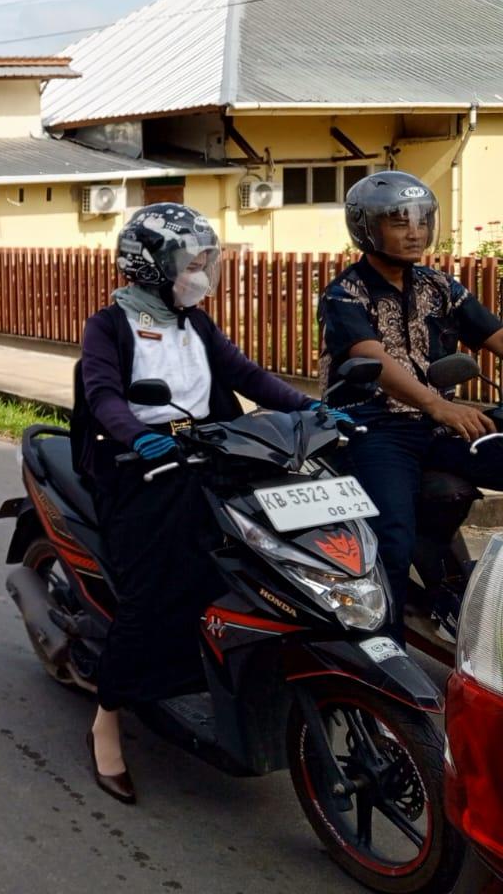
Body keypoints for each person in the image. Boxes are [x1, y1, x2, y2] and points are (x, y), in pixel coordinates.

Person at [74, 204, 332, 804]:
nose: (200, 272)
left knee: (252, 557)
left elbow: (248, 376)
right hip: (139, 468)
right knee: (151, 593)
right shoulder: (108, 325)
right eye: (189, 262)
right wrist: (137, 435)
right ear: (151, 266)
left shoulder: (197, 323)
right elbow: (104, 395)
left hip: (206, 455)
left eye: (203, 261)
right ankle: (107, 718)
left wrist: (308, 409)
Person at [320, 172, 503, 639]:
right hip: (373, 429)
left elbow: (494, 334)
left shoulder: (440, 286)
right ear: (365, 228)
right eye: (398, 222)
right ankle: (384, 649)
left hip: (440, 426)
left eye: (421, 220)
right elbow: (372, 358)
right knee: (392, 541)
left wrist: (441, 412)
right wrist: (436, 406)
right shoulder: (345, 293)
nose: (415, 231)